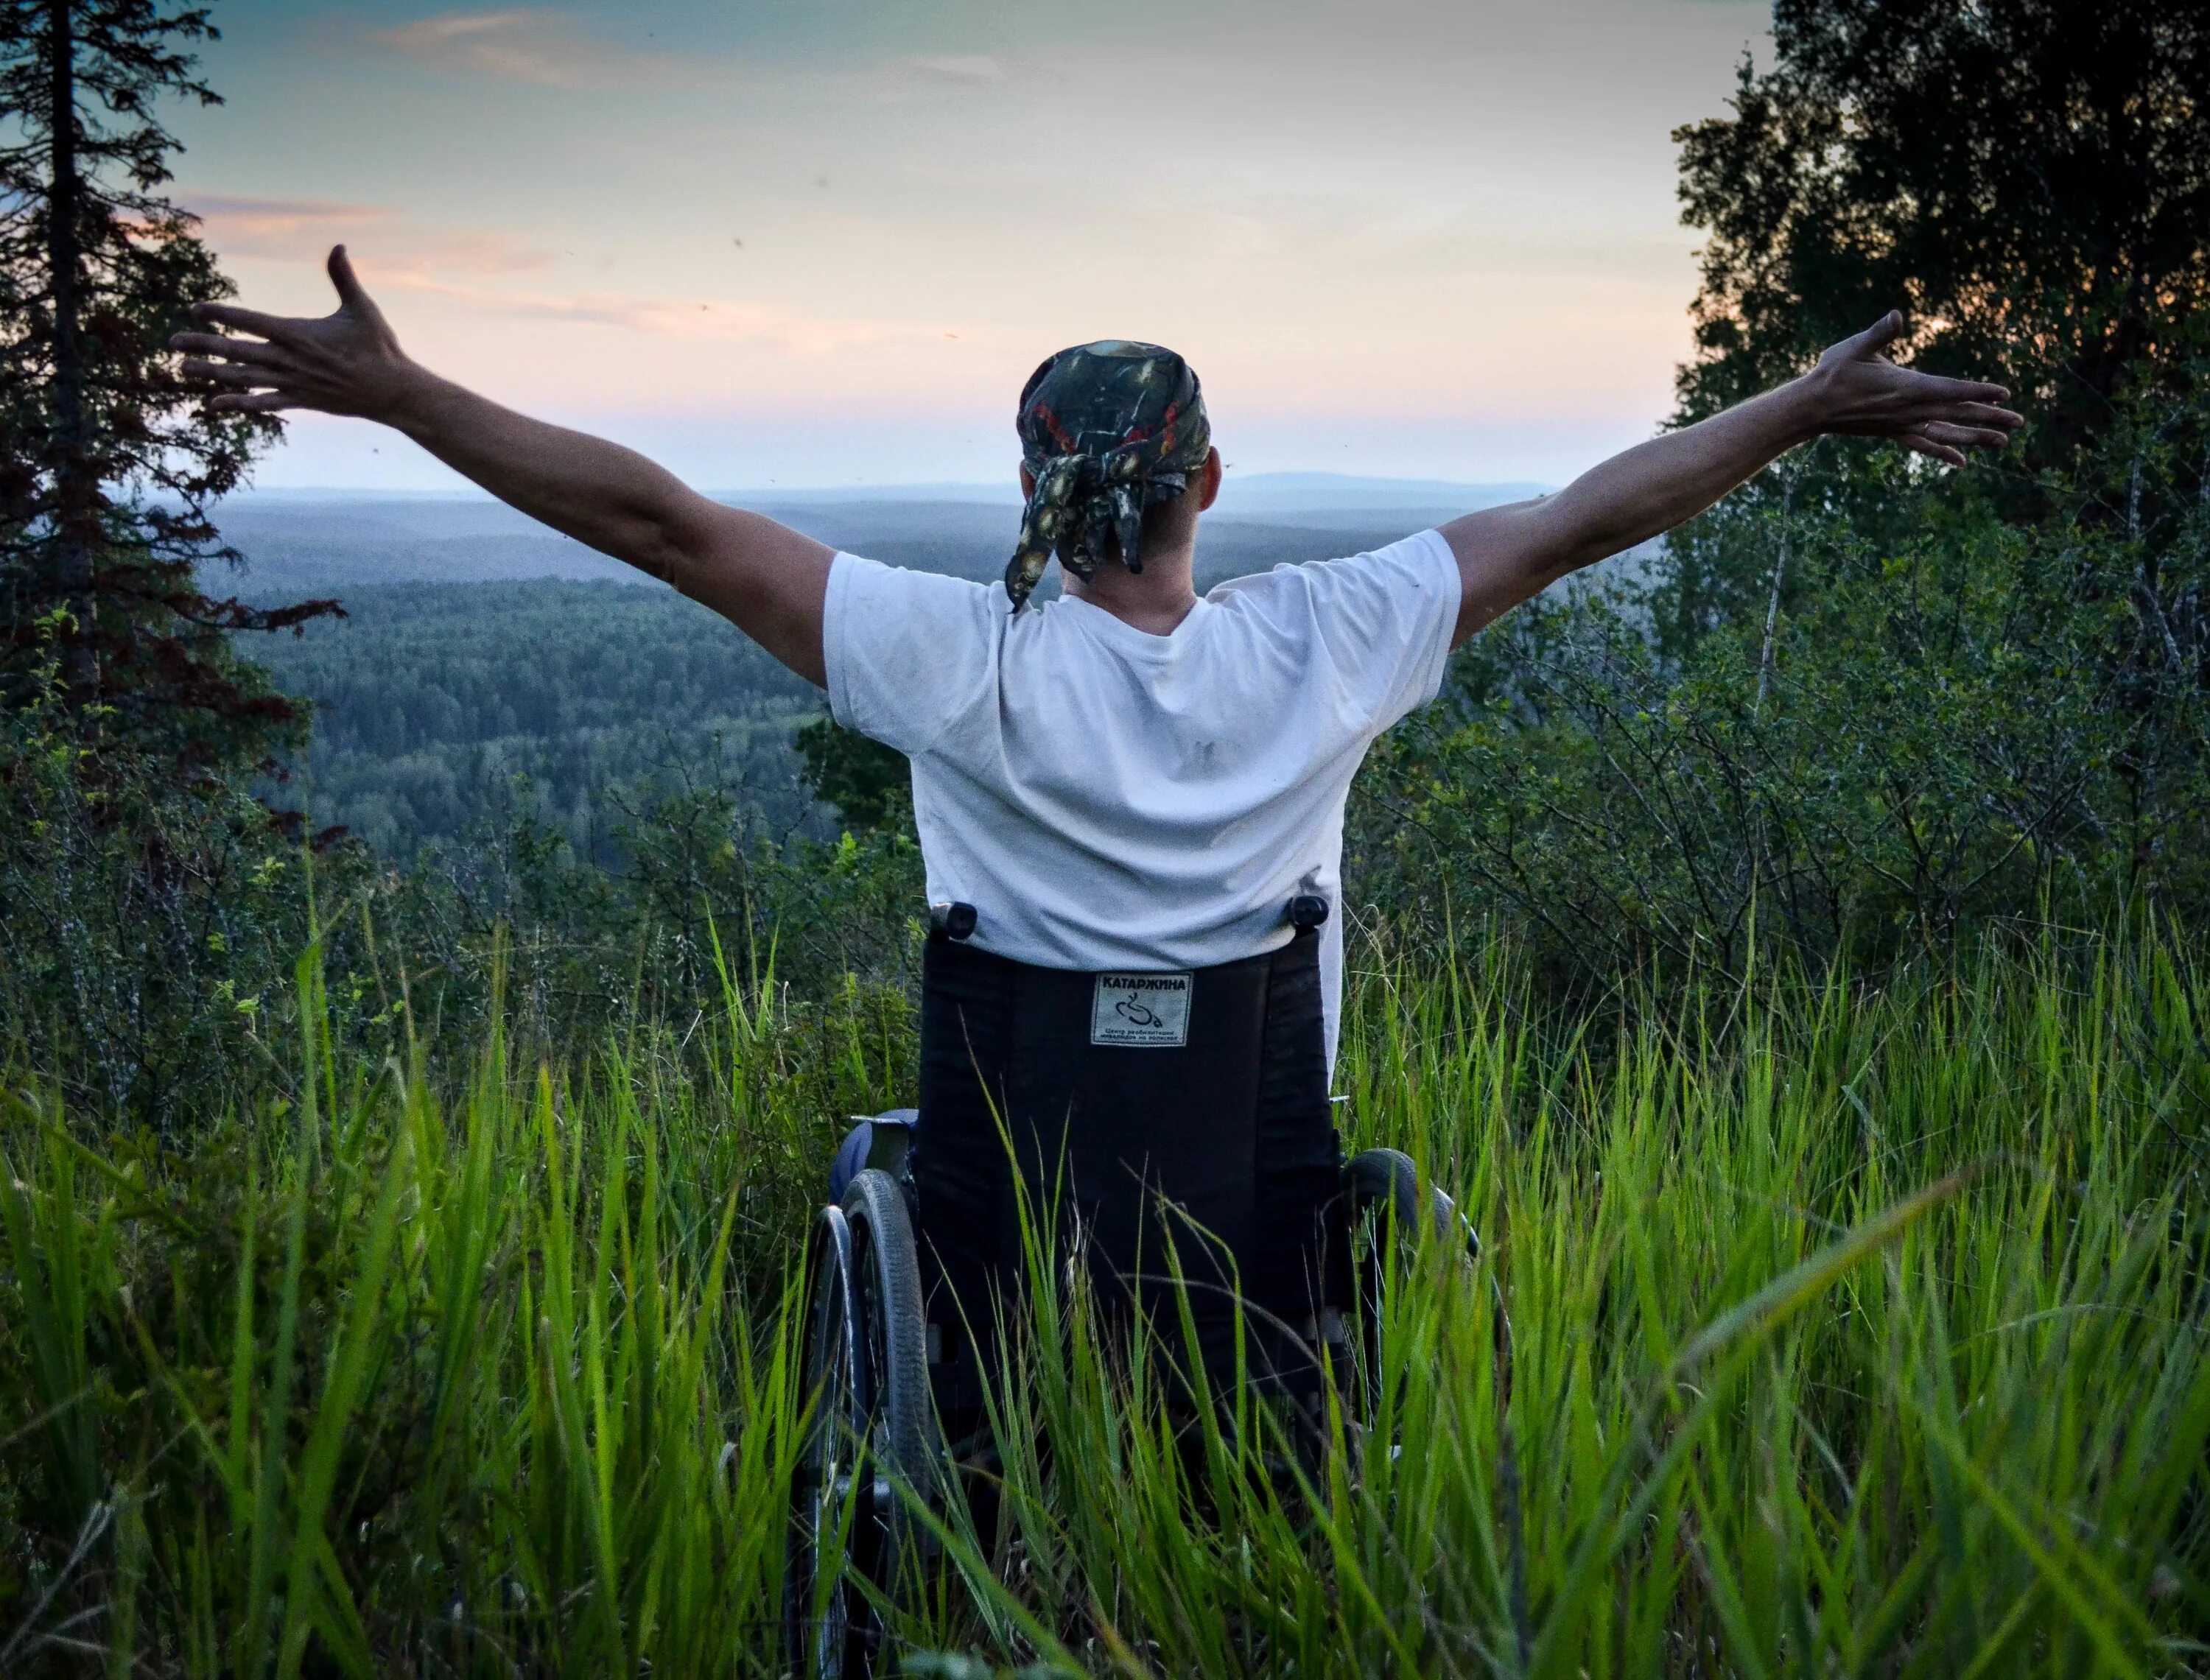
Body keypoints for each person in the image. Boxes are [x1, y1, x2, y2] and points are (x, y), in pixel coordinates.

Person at [173, 247, 2022, 1405]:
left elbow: (664, 523)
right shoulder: (1332, 641)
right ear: (1207, 479)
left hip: (1003, 1205)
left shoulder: (954, 659)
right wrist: (1803, 407)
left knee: (938, 1205)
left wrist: (403, 392)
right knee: (1284, 1217)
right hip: (1259, 1178)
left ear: (1035, 494)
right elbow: (1585, 517)